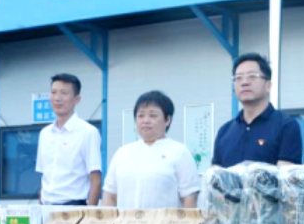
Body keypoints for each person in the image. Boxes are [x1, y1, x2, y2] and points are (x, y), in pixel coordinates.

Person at [103, 91, 200, 209]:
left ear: (167, 120)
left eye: (153, 115)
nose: (145, 120)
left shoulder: (179, 152)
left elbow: (189, 198)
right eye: (141, 115)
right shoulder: (123, 153)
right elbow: (110, 195)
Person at [213, 53, 302, 167]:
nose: (244, 82)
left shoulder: (286, 126)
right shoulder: (224, 131)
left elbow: (286, 178)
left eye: (252, 76)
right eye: (238, 78)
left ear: (268, 85)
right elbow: (215, 177)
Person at [36, 73, 103, 205]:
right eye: (53, 92)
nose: (57, 98)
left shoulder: (88, 132)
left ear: (76, 99)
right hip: (45, 206)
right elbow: (45, 176)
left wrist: (90, 215)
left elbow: (96, 179)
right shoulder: (44, 133)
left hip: (73, 207)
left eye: (64, 93)